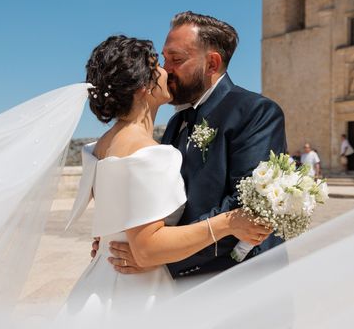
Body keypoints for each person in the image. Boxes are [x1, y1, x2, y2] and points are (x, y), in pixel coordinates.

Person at [60, 35, 273, 321]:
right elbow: (147, 249)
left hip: (100, 280)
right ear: (143, 86)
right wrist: (227, 223)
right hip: (137, 294)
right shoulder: (149, 153)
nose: (166, 71)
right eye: (157, 65)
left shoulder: (99, 147)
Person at [90, 12, 287, 279]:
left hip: (241, 282)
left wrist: (160, 256)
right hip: (184, 286)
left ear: (212, 63)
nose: (165, 69)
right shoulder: (175, 124)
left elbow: (247, 211)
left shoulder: (256, 113)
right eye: (164, 58)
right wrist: (127, 234)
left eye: (176, 59)